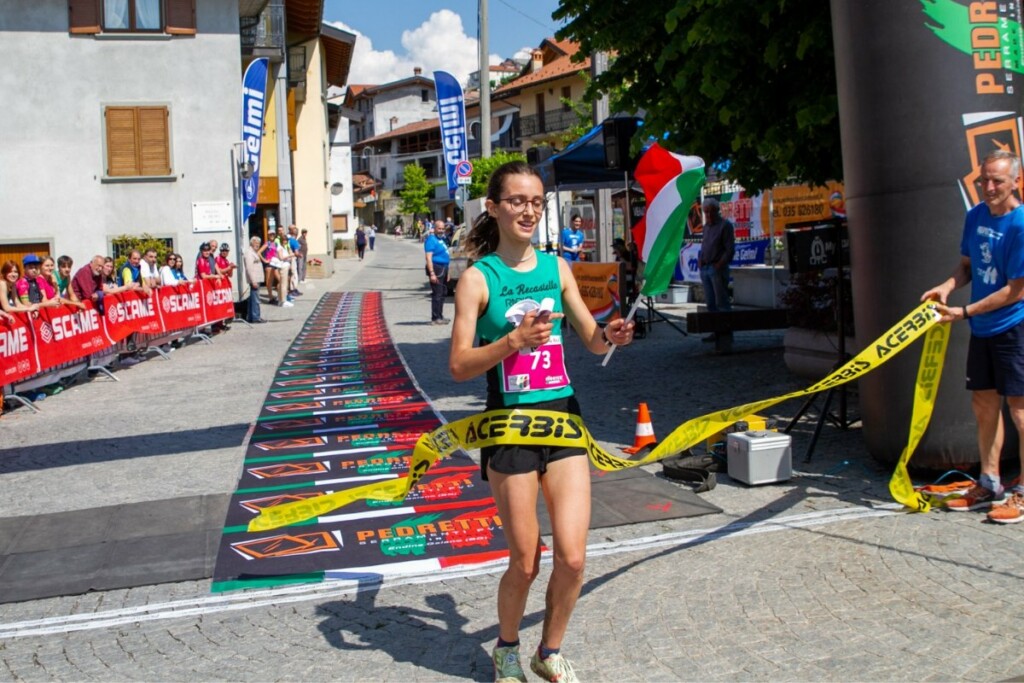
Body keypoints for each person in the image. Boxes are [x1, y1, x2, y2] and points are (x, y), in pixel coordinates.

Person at [449, 161, 635, 683]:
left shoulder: (557, 269)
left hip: (563, 421)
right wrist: (511, 341)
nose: (529, 210)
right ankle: (507, 647)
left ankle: (547, 652)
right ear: (494, 208)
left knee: (573, 558)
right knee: (526, 560)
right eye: (517, 201)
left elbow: (591, 338)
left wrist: (612, 336)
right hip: (509, 428)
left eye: (536, 201)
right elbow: (459, 365)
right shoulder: (477, 279)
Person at [921, 150, 1024, 523]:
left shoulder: (1021, 224)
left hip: (1014, 325)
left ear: (1015, 181)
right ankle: (989, 481)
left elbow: (1015, 290)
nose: (989, 187)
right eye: (984, 180)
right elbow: (968, 266)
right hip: (983, 327)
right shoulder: (976, 215)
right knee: (984, 406)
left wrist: (963, 312)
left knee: (1020, 411)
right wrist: (948, 286)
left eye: (997, 180)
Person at [698, 197, 735, 346]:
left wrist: (720, 264)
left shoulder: (725, 226)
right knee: (710, 304)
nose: (708, 215)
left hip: (717, 267)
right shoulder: (706, 227)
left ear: (716, 211)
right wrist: (700, 258)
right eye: (706, 212)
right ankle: (715, 331)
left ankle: (726, 334)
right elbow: (704, 245)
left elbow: (729, 249)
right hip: (706, 267)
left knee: (722, 303)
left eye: (711, 212)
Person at [424, 219, 451, 324]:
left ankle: (440, 315)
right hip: (436, 268)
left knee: (443, 293)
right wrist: (432, 273)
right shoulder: (431, 239)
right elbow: (428, 257)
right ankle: (435, 318)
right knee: (437, 294)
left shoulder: (441, 239)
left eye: (443, 228)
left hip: (444, 268)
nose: (441, 230)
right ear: (434, 229)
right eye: (439, 228)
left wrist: (448, 272)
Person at [242, 236, 266, 323]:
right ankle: (256, 317)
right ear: (251, 243)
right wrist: (253, 281)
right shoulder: (249, 253)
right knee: (255, 299)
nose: (258, 245)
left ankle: (252, 317)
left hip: (257, 279)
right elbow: (249, 268)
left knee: (253, 298)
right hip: (254, 279)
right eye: (255, 243)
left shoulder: (254, 252)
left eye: (259, 244)